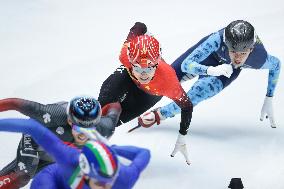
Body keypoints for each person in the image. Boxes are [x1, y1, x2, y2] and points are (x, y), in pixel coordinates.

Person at [138, 20, 281, 129]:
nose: (237, 58)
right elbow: (186, 65)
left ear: (251, 50)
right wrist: (210, 70)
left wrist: (269, 96)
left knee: (198, 94)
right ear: (226, 44)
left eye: (243, 54)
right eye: (233, 51)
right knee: (165, 79)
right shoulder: (216, 40)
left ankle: (161, 114)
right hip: (207, 57)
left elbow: (277, 65)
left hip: (228, 71)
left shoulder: (260, 58)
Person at [98, 22, 193, 164]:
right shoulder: (126, 54)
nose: (143, 74)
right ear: (131, 61)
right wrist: (142, 34)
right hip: (128, 78)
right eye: (138, 68)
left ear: (157, 63)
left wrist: (182, 136)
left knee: (112, 123)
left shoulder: (168, 81)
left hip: (150, 94)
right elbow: (139, 25)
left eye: (149, 69)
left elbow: (187, 106)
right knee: (103, 104)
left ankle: (92, 146)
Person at [0, 96, 121, 189]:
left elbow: (115, 107)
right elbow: (14, 103)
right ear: (69, 120)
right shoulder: (54, 114)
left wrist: (104, 107)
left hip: (56, 151)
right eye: (79, 128)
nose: (83, 135)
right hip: (35, 136)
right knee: (23, 175)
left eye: (90, 129)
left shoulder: (105, 128)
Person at [0, 118, 151, 189]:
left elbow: (145, 153)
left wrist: (114, 149)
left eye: (110, 182)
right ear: (85, 173)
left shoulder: (124, 178)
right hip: (52, 179)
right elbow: (32, 127)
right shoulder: (69, 159)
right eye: (100, 183)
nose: (107, 187)